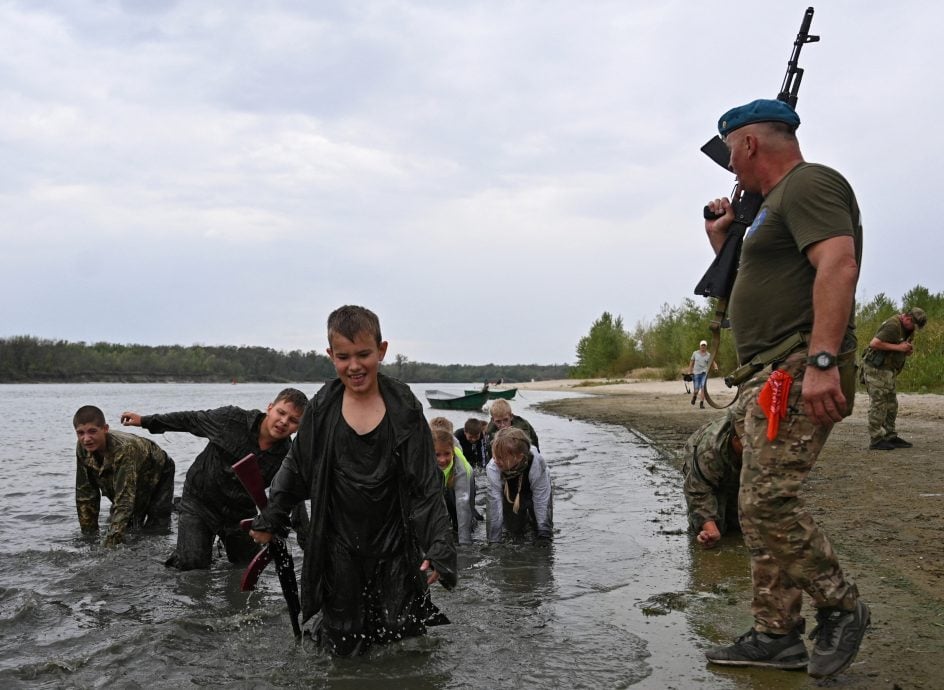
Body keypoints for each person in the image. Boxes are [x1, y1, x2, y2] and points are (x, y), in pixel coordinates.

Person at [702, 98, 868, 679]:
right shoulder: (770, 207)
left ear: (749, 143)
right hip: (767, 375)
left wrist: (823, 360)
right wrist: (722, 241)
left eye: (729, 151)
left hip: (798, 370)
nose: (729, 165)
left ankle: (840, 604)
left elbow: (838, 266)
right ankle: (777, 634)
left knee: (767, 501)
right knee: (758, 503)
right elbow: (763, 282)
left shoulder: (809, 184)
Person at [249, 305, 457, 656]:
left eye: (364, 354)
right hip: (338, 539)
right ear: (331, 356)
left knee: (399, 635)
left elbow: (425, 483)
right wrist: (271, 517)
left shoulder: (404, 405)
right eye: (343, 357)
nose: (355, 366)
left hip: (394, 537)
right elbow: (296, 467)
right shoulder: (322, 407)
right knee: (344, 640)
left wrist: (438, 547)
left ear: (382, 350)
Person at [120, 388, 308, 570]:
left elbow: (292, 499)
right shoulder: (231, 420)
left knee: (246, 566)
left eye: (292, 420)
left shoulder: (289, 458)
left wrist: (306, 544)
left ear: (299, 427)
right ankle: (186, 541)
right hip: (199, 501)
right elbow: (190, 420)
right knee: (192, 565)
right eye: (280, 413)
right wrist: (145, 421)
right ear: (269, 408)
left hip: (239, 513)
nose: (283, 421)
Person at [73, 405, 175, 547]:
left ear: (105, 429)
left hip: (159, 468)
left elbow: (125, 501)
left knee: (155, 526)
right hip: (131, 467)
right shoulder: (82, 447)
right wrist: (89, 540)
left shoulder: (124, 449)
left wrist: (107, 547)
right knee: (126, 523)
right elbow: (85, 494)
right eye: (80, 433)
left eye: (92, 432)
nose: (86, 439)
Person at [860, 307, 928, 450]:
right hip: (875, 369)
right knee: (879, 403)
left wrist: (906, 350)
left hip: (888, 370)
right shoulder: (893, 325)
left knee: (891, 404)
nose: (914, 329)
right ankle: (876, 439)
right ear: (908, 319)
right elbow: (875, 343)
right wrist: (899, 348)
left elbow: (901, 347)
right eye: (914, 326)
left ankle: (889, 435)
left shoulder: (908, 329)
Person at [682, 410, 742, 548]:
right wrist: (710, 529)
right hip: (705, 469)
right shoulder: (709, 452)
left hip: (737, 467)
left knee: (740, 526)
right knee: (717, 529)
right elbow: (698, 492)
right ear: (736, 441)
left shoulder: (765, 445)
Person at [485, 427, 553, 544]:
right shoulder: (493, 467)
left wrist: (544, 533)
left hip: (534, 491)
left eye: (500, 457)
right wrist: (494, 541)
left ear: (519, 457)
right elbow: (494, 506)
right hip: (509, 493)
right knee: (513, 530)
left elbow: (541, 499)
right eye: (494, 455)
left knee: (540, 528)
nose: (495, 460)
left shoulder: (537, 463)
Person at [432, 428, 474, 545]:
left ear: (453, 452)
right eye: (437, 455)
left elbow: (463, 505)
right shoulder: (422, 462)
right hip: (439, 480)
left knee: (459, 512)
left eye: (447, 454)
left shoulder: (461, 468)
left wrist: (465, 546)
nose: (442, 459)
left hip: (463, 478)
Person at [689, 339, 720, 409]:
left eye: (704, 346)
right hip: (696, 373)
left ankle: (701, 403)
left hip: (704, 374)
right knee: (696, 390)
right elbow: (691, 363)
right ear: (700, 346)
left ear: (706, 347)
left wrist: (716, 367)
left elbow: (713, 362)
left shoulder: (709, 355)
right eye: (702, 345)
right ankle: (694, 396)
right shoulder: (695, 353)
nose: (703, 347)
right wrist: (689, 371)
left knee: (703, 388)